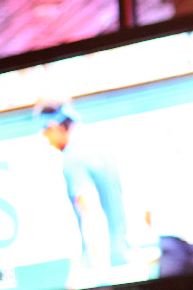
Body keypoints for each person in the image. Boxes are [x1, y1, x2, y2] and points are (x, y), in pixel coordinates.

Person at [37, 99, 129, 270]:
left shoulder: (73, 159)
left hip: (103, 265)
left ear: (54, 127)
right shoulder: (99, 145)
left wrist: (94, 270)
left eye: (45, 134)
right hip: (122, 256)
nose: (48, 142)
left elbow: (90, 212)